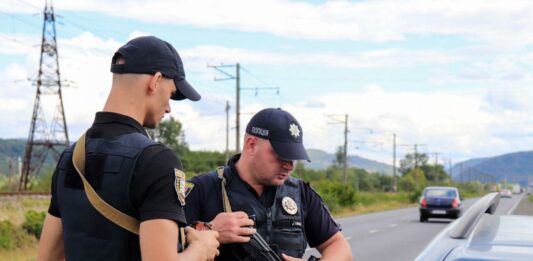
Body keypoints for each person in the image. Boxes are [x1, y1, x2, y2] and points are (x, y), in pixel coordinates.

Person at [37, 36, 219, 261]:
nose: (169, 108)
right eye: (171, 94)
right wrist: (201, 250)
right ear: (155, 81)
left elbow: (47, 257)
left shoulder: (71, 158)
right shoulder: (156, 161)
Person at [185, 108, 352, 260]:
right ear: (251, 145)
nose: (289, 165)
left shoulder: (301, 194)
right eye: (281, 155)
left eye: (293, 157)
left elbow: (339, 247)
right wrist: (210, 231)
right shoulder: (202, 189)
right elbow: (166, 250)